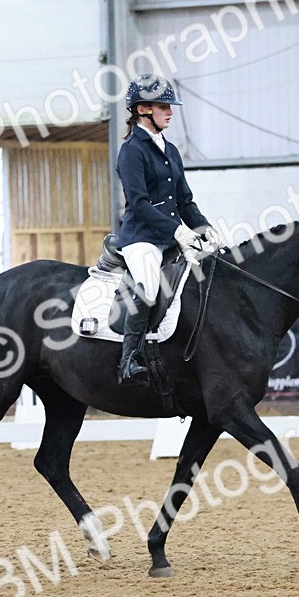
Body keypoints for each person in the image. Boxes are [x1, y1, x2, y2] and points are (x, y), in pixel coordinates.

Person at [114, 73, 223, 387]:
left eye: (169, 106)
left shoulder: (171, 149)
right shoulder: (132, 150)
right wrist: (177, 231)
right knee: (148, 287)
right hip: (141, 238)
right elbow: (139, 203)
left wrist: (205, 228)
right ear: (143, 110)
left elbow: (185, 199)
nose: (170, 111)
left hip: (173, 238)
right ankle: (128, 360)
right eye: (163, 106)